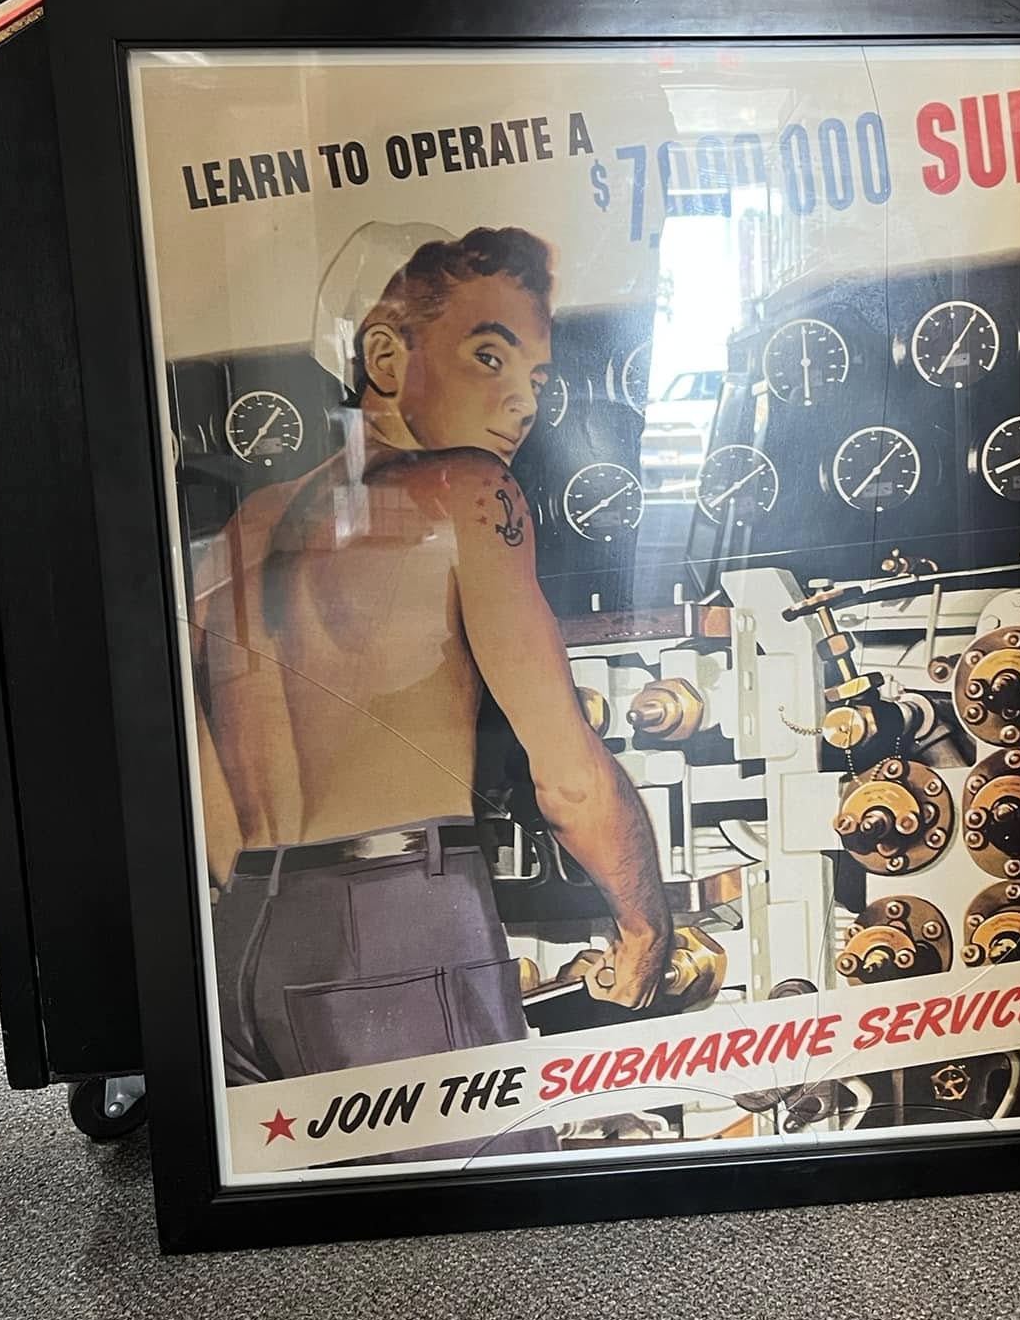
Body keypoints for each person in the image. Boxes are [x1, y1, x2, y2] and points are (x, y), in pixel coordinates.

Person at [193, 226, 673, 1144]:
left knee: (322, 1201)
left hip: (246, 940)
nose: (522, 400)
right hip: (398, 929)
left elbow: (204, 784)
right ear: (384, 357)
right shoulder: (470, 490)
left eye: (536, 377)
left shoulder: (252, 523)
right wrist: (645, 922)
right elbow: (567, 777)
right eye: (489, 356)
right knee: (493, 1199)